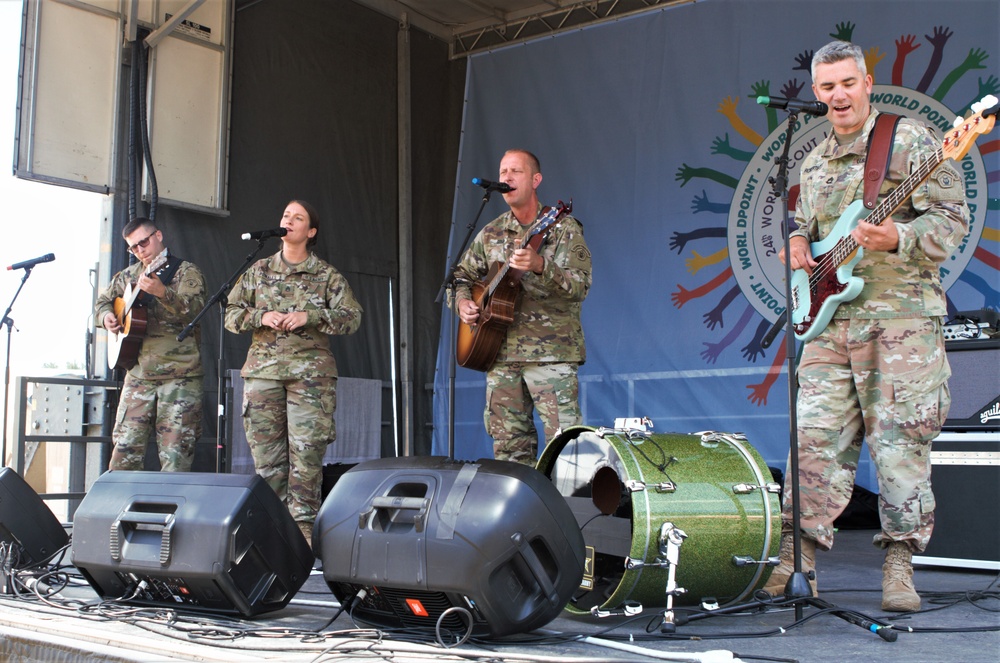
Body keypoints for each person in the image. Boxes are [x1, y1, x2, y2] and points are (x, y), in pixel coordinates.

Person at [766, 41, 970, 611]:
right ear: (816, 92)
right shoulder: (812, 158)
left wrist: (900, 237)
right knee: (812, 438)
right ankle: (796, 558)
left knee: (900, 441)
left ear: (867, 82)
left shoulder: (909, 139)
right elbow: (803, 220)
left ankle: (899, 566)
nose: (838, 96)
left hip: (900, 321)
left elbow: (952, 218)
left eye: (847, 83)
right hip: (830, 324)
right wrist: (799, 241)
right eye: (827, 87)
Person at [224, 200, 362, 545]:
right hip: (263, 374)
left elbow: (352, 317)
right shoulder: (257, 271)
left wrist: (310, 316)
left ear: (310, 231)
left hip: (310, 378)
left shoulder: (326, 275)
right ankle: (270, 538)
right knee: (268, 462)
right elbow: (230, 314)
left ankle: (301, 541)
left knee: (306, 459)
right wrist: (260, 317)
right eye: (286, 215)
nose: (288, 220)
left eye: (297, 217)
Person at [453, 149, 592, 465]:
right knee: (509, 450)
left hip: (551, 355)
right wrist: (462, 302)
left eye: (515, 171)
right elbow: (461, 277)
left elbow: (580, 286)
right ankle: (522, 513)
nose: (506, 178)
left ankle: (566, 512)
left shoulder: (563, 228)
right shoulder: (491, 232)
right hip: (498, 354)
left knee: (565, 447)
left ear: (535, 180)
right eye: (503, 172)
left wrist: (542, 265)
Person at [96, 218, 207, 472]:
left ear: (158, 235)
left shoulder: (185, 271)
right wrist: (106, 317)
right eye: (133, 248)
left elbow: (196, 310)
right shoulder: (128, 275)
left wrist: (162, 293)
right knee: (124, 451)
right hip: (138, 375)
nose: (139, 251)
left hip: (180, 376)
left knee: (176, 457)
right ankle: (123, 509)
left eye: (143, 242)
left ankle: (168, 510)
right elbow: (102, 302)